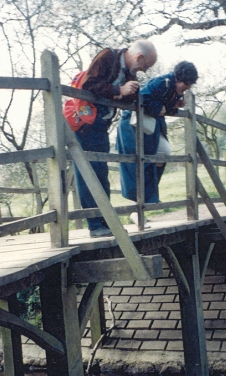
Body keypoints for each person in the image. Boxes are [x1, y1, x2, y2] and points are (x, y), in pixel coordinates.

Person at [73, 40, 157, 237]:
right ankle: (95, 226)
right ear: (138, 57)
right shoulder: (107, 57)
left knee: (101, 175)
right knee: (88, 175)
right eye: (145, 66)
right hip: (86, 126)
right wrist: (118, 90)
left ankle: (106, 223)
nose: (143, 71)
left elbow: (127, 97)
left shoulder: (129, 72)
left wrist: (128, 94)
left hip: (101, 126)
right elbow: (89, 84)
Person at [116, 61, 198, 225]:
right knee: (138, 164)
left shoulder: (173, 88)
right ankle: (137, 210)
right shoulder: (163, 82)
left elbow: (162, 107)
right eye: (187, 83)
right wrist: (159, 108)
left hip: (149, 128)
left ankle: (142, 205)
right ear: (179, 78)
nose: (187, 88)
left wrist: (173, 106)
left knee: (162, 154)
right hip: (133, 126)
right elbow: (143, 96)